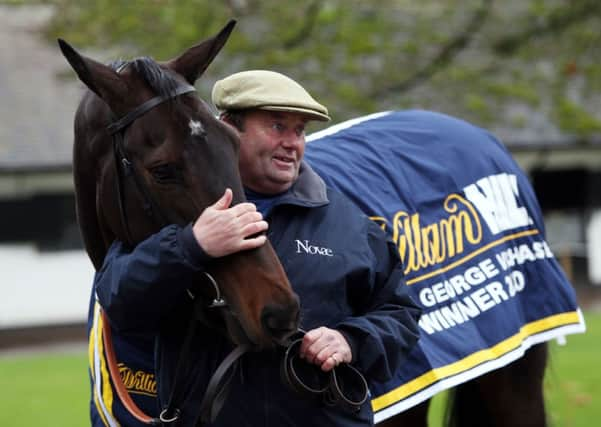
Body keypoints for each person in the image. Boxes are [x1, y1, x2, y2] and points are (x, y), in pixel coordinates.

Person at [89, 70, 421, 426]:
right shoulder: (175, 218)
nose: (292, 143)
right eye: (278, 126)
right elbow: (118, 300)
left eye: (300, 131)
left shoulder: (350, 225)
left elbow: (400, 316)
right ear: (227, 128)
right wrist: (191, 245)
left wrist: (351, 340)